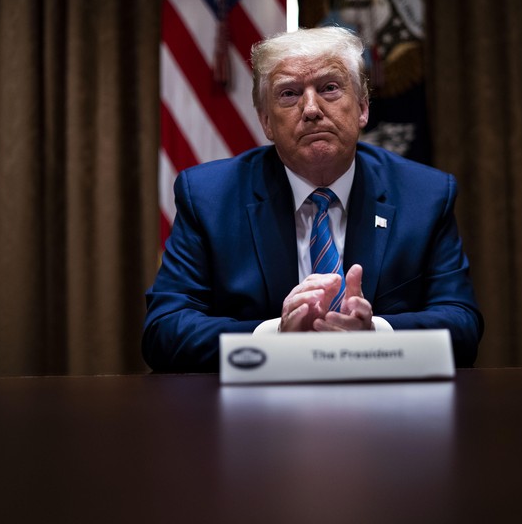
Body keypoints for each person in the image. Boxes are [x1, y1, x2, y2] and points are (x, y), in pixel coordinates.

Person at [143, 26, 483, 372]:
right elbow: (164, 331)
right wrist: (275, 336)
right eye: (289, 94)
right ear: (266, 122)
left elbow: (462, 325)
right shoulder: (208, 197)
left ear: (363, 108)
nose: (311, 109)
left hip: (386, 408)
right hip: (255, 413)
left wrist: (375, 333)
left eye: (329, 88)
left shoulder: (424, 195)